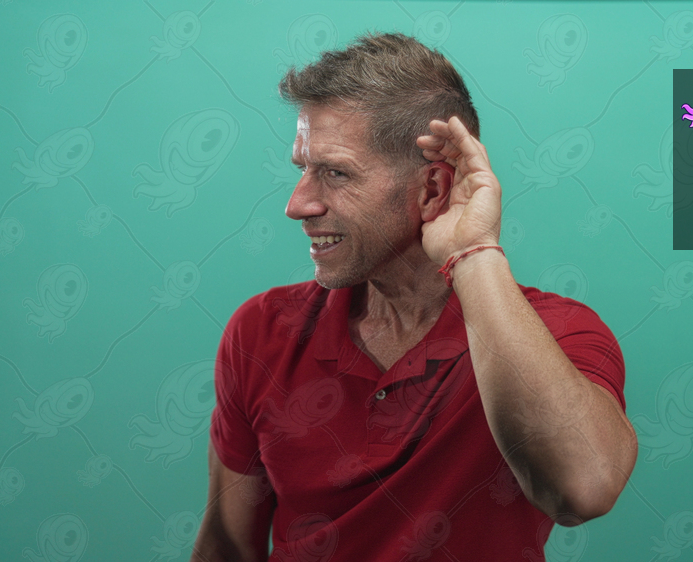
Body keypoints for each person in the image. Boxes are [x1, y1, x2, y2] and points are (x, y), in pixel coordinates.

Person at [192, 31, 637, 562]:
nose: (298, 205)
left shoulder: (560, 334)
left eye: (335, 173)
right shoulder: (261, 330)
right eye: (303, 170)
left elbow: (582, 491)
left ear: (432, 189)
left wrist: (473, 252)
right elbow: (225, 547)